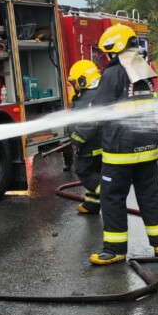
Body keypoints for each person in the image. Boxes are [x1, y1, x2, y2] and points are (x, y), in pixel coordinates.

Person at [88, 24, 158, 265]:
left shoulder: (112, 73)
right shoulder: (143, 72)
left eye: (107, 53)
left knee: (112, 197)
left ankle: (114, 250)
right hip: (147, 148)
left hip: (120, 152)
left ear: (114, 48)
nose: (107, 58)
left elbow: (100, 111)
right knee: (150, 195)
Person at [66, 59, 104, 215]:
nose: (73, 86)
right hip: (101, 148)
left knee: (84, 172)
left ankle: (107, 192)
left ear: (83, 80)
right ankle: (92, 205)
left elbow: (86, 127)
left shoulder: (85, 100)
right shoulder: (99, 93)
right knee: (96, 172)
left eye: (74, 82)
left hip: (89, 149)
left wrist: (75, 139)